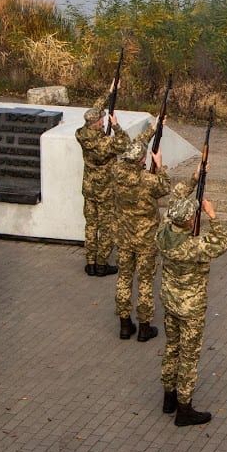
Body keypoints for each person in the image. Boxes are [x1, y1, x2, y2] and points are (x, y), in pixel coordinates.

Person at [157, 172, 227, 426]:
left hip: (170, 302)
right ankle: (184, 408)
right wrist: (212, 216)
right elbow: (221, 243)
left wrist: (194, 179)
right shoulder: (194, 247)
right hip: (191, 308)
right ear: (190, 222)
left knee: (171, 349)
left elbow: (176, 199)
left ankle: (168, 396)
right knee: (189, 357)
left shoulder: (163, 233)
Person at [113, 138, 170, 341]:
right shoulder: (147, 179)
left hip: (124, 236)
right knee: (145, 281)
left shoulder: (116, 173)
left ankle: (125, 325)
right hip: (145, 239)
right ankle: (144, 327)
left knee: (124, 279)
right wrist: (160, 165)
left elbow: (123, 163)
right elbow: (164, 188)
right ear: (141, 160)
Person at [75, 95, 132, 278]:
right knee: (106, 227)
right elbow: (124, 143)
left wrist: (110, 92)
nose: (102, 120)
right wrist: (115, 126)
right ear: (98, 123)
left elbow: (94, 111)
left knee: (91, 225)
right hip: (105, 190)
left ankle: (90, 263)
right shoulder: (105, 143)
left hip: (89, 188)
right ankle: (101, 264)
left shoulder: (81, 134)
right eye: (101, 119)